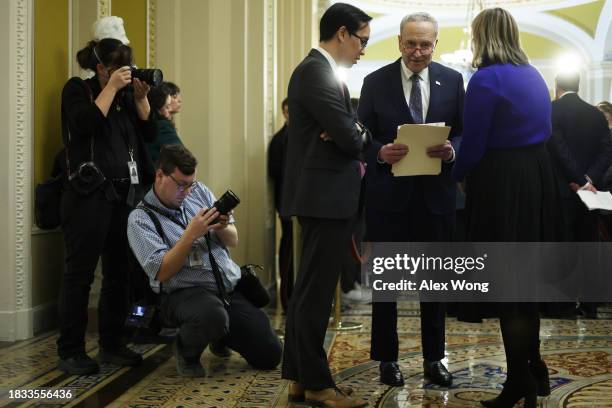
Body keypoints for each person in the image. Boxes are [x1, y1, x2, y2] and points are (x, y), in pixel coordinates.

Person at [452, 8, 557, 408]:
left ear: (482, 36)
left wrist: (457, 173)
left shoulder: (485, 79)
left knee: (507, 286)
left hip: (502, 184)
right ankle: (535, 370)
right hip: (536, 179)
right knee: (525, 283)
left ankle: (519, 383)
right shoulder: (533, 75)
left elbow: (474, 143)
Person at [358, 12, 464, 388]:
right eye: (411, 44)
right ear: (399, 42)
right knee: (386, 283)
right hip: (389, 197)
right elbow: (360, 137)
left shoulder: (453, 80)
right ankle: (387, 359)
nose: (417, 52)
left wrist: (452, 152)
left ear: (436, 43)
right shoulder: (374, 81)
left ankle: (435, 358)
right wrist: (378, 153)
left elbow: (464, 134)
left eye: (425, 44)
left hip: (436, 198)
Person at [280, 3, 372, 407]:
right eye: (362, 40)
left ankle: (300, 377)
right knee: (315, 295)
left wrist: (350, 129)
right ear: (341, 33)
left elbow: (348, 129)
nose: (363, 49)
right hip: (324, 196)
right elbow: (353, 139)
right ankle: (318, 385)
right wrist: (353, 132)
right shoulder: (315, 72)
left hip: (322, 194)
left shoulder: (320, 73)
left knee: (308, 291)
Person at [127, 144, 282, 377]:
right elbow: (161, 271)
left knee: (270, 355)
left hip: (226, 289)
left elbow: (233, 239)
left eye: (190, 184)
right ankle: (186, 351)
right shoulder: (141, 218)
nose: (187, 192)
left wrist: (222, 226)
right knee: (211, 315)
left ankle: (220, 335)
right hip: (185, 294)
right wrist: (191, 234)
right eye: (181, 185)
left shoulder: (198, 191)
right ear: (159, 175)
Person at [57, 38, 156, 375]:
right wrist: (111, 88)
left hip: (122, 196)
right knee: (80, 275)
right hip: (87, 196)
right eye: (116, 68)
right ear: (100, 67)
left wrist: (141, 99)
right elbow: (85, 125)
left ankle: (112, 343)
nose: (124, 75)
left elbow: (149, 131)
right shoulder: (77, 89)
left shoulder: (125, 99)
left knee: (120, 274)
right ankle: (70, 350)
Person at [267, 98, 293, 311]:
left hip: (301, 204)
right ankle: (287, 297)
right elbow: (276, 173)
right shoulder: (279, 140)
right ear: (284, 113)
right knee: (288, 249)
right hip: (287, 205)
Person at [145, 85, 183, 166]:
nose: (169, 110)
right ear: (156, 107)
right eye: (166, 107)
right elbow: (182, 158)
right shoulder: (162, 125)